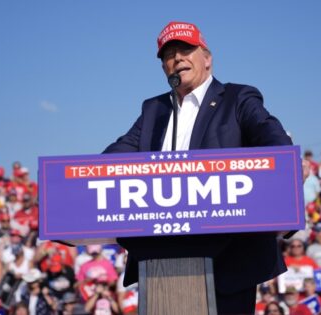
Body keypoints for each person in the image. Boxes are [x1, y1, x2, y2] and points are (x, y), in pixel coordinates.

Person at [102, 21, 294, 314]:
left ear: (207, 58)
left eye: (185, 50)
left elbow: (273, 138)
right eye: (168, 55)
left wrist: (290, 164)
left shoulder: (238, 98)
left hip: (229, 262)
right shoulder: (153, 110)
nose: (176, 58)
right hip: (160, 266)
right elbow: (115, 156)